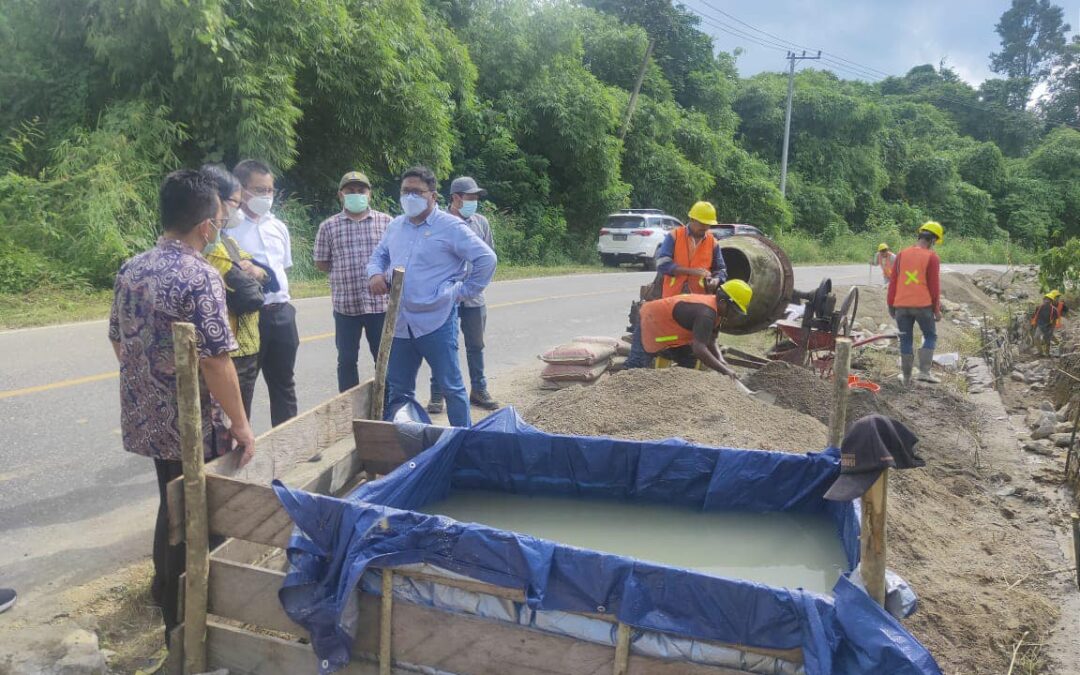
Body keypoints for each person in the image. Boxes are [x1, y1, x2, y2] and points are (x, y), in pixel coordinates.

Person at [108, 170, 255, 642]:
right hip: (194, 424)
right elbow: (216, 361)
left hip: (148, 417)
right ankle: (183, 617)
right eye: (218, 218)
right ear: (207, 226)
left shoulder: (131, 267)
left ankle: (163, 592)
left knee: (171, 505)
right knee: (195, 519)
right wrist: (242, 423)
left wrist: (152, 384)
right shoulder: (200, 275)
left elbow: (118, 340)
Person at [367, 166, 497, 427]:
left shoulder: (451, 227)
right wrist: (375, 274)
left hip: (436, 321)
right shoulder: (395, 226)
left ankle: (463, 445)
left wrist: (463, 291)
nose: (410, 197)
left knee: (452, 388)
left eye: (417, 191)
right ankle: (404, 445)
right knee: (399, 390)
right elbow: (379, 255)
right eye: (406, 191)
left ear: (433, 196)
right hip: (401, 323)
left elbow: (486, 258)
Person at [200, 165, 277, 419]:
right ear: (215, 203)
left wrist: (256, 271)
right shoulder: (208, 248)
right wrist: (253, 273)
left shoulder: (227, 242)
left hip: (247, 345)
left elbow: (268, 277)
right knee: (230, 422)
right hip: (229, 351)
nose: (234, 209)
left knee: (239, 418)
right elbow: (250, 296)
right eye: (233, 202)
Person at [227, 160, 299, 426]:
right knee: (241, 386)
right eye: (259, 190)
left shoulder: (277, 226)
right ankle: (240, 449)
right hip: (247, 317)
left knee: (283, 382)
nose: (266, 196)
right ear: (241, 190)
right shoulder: (227, 228)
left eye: (270, 190)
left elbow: (283, 269)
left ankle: (288, 442)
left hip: (281, 313)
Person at [314, 171, 392, 392]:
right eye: (350, 191)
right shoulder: (328, 226)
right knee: (347, 361)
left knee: (384, 359)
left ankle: (387, 404)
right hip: (345, 306)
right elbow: (321, 262)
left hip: (379, 305)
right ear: (341, 195)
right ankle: (348, 409)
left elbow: (397, 256)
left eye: (361, 191)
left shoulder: (386, 222)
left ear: (370, 194)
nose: (356, 194)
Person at [427, 176, 499, 414]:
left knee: (476, 345)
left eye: (476, 197)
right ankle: (437, 395)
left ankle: (478, 390)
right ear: (456, 198)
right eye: (470, 197)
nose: (474, 201)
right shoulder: (439, 223)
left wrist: (476, 285)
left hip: (474, 296)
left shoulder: (481, 223)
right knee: (442, 345)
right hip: (446, 296)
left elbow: (488, 256)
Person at [624, 279, 753, 377]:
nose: (733, 315)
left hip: (670, 331)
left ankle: (678, 394)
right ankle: (616, 395)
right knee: (636, 368)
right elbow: (699, 348)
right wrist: (725, 371)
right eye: (733, 311)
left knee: (688, 360)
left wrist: (721, 360)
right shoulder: (706, 314)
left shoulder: (717, 311)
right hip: (650, 322)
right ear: (723, 302)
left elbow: (711, 340)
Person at [888, 221, 943, 386]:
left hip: (901, 305)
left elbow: (893, 282)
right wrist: (936, 309)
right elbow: (934, 286)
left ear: (919, 236)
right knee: (930, 335)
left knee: (905, 339)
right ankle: (924, 373)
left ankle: (906, 377)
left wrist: (891, 305)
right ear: (933, 240)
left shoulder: (901, 254)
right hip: (922, 305)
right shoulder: (932, 257)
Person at [655, 201, 728, 298]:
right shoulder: (674, 236)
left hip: (700, 300)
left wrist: (716, 280)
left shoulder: (713, 243)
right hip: (673, 298)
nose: (705, 227)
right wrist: (691, 271)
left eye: (708, 224)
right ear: (692, 219)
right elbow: (662, 264)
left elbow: (721, 269)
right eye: (702, 223)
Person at [1031, 291, 1065, 356]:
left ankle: (1048, 353)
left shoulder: (1054, 310)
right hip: (1040, 325)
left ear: (1051, 301)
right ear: (1043, 300)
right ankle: (1040, 352)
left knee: (1047, 339)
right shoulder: (1039, 307)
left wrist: (1051, 330)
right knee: (1036, 337)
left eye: (1048, 299)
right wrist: (1034, 325)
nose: (1046, 301)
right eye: (1045, 299)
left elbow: (1055, 321)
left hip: (1049, 326)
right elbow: (1036, 316)